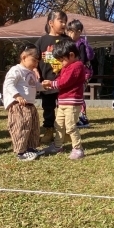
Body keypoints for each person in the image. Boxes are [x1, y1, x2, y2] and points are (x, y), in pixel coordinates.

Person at [41, 40, 87, 159]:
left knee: (70, 126)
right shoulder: (67, 66)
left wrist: (51, 84)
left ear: (71, 55)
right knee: (59, 125)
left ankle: (78, 148)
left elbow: (65, 81)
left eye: (62, 60)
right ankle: (57, 146)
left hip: (72, 102)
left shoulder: (77, 66)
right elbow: (61, 79)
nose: (61, 63)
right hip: (63, 102)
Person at [2, 44, 45, 161]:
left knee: (33, 127)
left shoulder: (30, 72)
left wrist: (43, 86)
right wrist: (17, 96)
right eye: (34, 61)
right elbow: (8, 84)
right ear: (24, 57)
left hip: (30, 104)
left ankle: (31, 148)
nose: (35, 64)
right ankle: (21, 152)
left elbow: (34, 85)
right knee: (21, 126)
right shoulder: (16, 70)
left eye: (37, 62)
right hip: (19, 105)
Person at [34, 10, 71, 145]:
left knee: (65, 108)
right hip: (47, 82)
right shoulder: (42, 41)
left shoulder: (67, 40)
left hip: (64, 81)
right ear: (51, 23)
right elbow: (34, 58)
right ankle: (48, 130)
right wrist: (34, 70)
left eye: (65, 21)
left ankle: (65, 132)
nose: (64, 24)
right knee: (48, 108)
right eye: (60, 21)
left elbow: (74, 58)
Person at [66, 19, 94, 128]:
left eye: (71, 31)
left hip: (83, 73)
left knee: (79, 94)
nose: (69, 34)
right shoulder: (70, 43)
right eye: (68, 31)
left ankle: (83, 118)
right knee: (75, 93)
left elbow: (82, 61)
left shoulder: (81, 44)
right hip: (74, 72)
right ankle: (76, 117)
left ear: (78, 32)